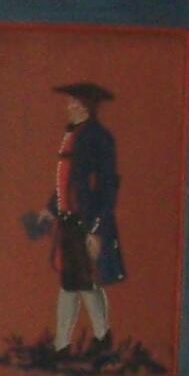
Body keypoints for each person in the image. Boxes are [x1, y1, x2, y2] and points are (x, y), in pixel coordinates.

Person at [44, 80, 127, 353]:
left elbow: (107, 186)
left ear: (84, 106)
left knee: (84, 283)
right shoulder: (74, 135)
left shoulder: (98, 138)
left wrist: (96, 229)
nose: (67, 107)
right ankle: (67, 343)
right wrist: (51, 208)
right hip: (69, 222)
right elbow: (67, 181)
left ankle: (97, 339)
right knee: (73, 283)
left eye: (73, 102)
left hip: (85, 222)